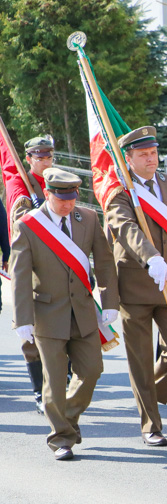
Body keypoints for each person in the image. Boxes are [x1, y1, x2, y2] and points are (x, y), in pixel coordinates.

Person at [10, 168, 119, 460]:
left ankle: (66, 420)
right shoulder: (29, 225)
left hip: (83, 311)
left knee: (92, 370)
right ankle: (61, 439)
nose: (68, 205)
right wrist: (22, 320)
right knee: (54, 381)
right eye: (62, 200)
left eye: (72, 198)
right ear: (48, 194)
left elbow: (105, 261)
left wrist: (109, 300)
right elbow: (19, 276)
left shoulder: (89, 218)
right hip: (47, 313)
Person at [104, 126, 167, 446]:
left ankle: (148, 397)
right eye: (143, 155)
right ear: (127, 159)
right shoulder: (119, 190)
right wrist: (150, 257)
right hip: (135, 285)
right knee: (141, 359)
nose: (151, 159)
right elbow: (125, 228)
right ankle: (150, 425)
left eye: (153, 153)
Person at [8, 136, 54, 414]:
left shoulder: (56, 181)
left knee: (66, 324)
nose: (46, 162)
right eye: (40, 158)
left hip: (59, 265)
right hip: (31, 265)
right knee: (31, 331)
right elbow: (19, 222)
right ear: (29, 159)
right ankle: (39, 391)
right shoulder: (20, 185)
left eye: (49, 157)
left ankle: (63, 379)